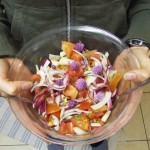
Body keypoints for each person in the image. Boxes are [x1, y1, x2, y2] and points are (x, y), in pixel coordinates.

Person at [0, 0, 150, 150]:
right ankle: (56, 139)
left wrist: (139, 40)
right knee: (50, 125)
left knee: (101, 125)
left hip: (113, 64)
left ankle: (97, 141)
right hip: (35, 71)